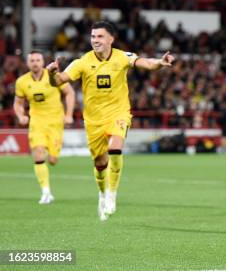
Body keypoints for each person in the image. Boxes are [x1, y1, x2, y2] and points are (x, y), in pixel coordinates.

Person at [47, 21, 175, 220]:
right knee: (100, 162)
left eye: (99, 36)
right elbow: (58, 81)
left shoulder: (122, 56)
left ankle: (112, 194)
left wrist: (160, 62)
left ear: (111, 39)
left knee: (115, 148)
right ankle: (102, 192)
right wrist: (51, 73)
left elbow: (146, 63)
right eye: (93, 37)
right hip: (93, 121)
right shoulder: (82, 62)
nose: (95, 40)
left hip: (119, 113)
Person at [13, 51, 75, 204]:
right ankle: (46, 192)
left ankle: (51, 154)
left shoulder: (53, 76)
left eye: (38, 60)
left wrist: (69, 114)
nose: (35, 63)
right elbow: (18, 103)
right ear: (28, 63)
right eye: (32, 60)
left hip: (55, 122)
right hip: (37, 123)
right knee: (39, 154)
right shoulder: (22, 81)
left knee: (52, 160)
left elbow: (69, 93)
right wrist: (20, 115)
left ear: (42, 62)